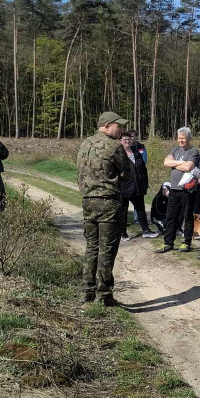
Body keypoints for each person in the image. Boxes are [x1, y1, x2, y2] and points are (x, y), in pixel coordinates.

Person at [76, 111, 130, 306]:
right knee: (106, 249)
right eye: (119, 126)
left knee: (92, 247)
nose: (121, 130)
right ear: (107, 126)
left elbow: (80, 173)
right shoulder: (114, 146)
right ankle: (104, 295)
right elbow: (128, 173)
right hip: (108, 203)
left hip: (88, 201)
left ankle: (86, 291)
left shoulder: (85, 144)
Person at [156, 127, 200, 253]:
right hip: (174, 189)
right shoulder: (175, 149)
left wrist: (173, 162)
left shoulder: (194, 151)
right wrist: (180, 163)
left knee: (187, 217)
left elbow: (188, 167)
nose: (180, 140)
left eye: (183, 138)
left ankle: (186, 242)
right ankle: (168, 242)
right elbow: (165, 162)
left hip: (187, 190)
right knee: (171, 216)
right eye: (179, 138)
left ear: (189, 138)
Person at [119, 131, 156, 239]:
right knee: (123, 211)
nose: (127, 141)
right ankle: (123, 233)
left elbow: (142, 169)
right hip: (124, 187)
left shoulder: (136, 152)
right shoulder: (118, 154)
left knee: (140, 208)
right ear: (120, 141)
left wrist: (144, 183)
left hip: (138, 186)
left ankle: (146, 231)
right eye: (124, 139)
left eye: (128, 139)